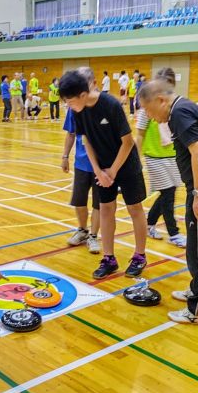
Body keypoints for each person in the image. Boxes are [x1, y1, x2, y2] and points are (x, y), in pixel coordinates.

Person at [138, 69, 198, 324]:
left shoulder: (179, 112)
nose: (152, 119)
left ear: (161, 100)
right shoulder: (182, 109)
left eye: (149, 110)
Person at [59, 70, 148, 280]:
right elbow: (86, 140)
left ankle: (139, 256)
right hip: (103, 167)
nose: (68, 106)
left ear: (82, 94)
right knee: (106, 209)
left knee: (135, 208)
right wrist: (99, 171)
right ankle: (109, 259)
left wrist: (113, 171)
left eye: (69, 101)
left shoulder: (111, 105)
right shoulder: (77, 111)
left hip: (126, 164)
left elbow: (128, 142)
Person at [135, 70, 186, 248]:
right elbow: (139, 135)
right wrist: (136, 160)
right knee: (168, 195)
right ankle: (174, 233)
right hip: (154, 156)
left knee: (168, 192)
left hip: (172, 155)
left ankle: (149, 224)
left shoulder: (173, 106)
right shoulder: (146, 109)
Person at [62, 67, 101, 254]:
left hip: (101, 164)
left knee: (99, 203)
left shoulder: (103, 106)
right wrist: (65, 156)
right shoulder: (74, 108)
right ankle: (83, 230)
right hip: (81, 162)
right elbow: (71, 134)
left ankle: (94, 236)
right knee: (79, 200)